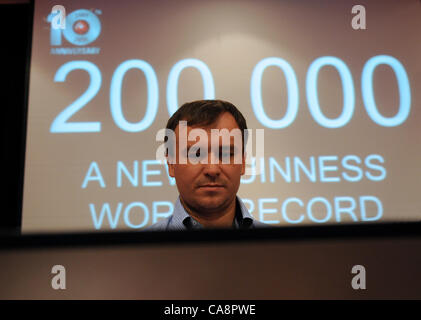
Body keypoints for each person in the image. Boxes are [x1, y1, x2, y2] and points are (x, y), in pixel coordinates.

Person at [146, 99, 266, 231]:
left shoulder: (284, 247)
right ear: (171, 165)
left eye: (225, 154)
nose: (212, 169)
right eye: (195, 155)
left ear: (243, 162)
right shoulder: (138, 249)